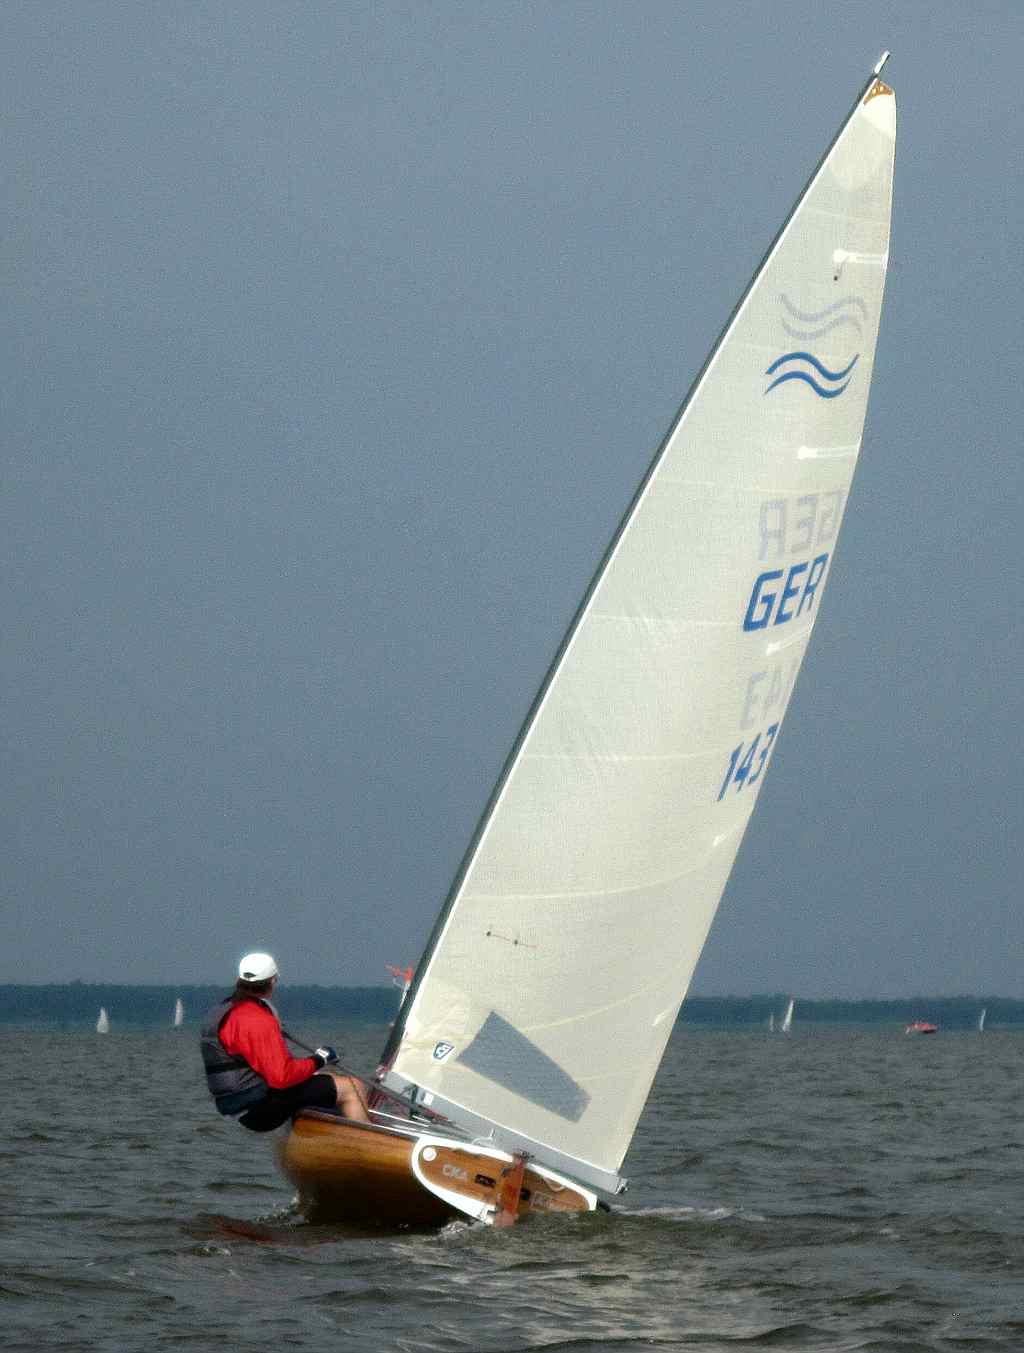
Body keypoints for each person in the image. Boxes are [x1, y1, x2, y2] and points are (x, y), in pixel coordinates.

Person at [200, 951, 370, 1132]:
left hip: (236, 1107)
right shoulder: (256, 1019)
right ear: (272, 981)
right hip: (260, 1110)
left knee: (320, 1082)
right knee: (352, 1087)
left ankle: (329, 1137)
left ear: (239, 980)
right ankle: (370, 1146)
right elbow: (282, 1077)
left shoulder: (221, 1012)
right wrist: (320, 1060)